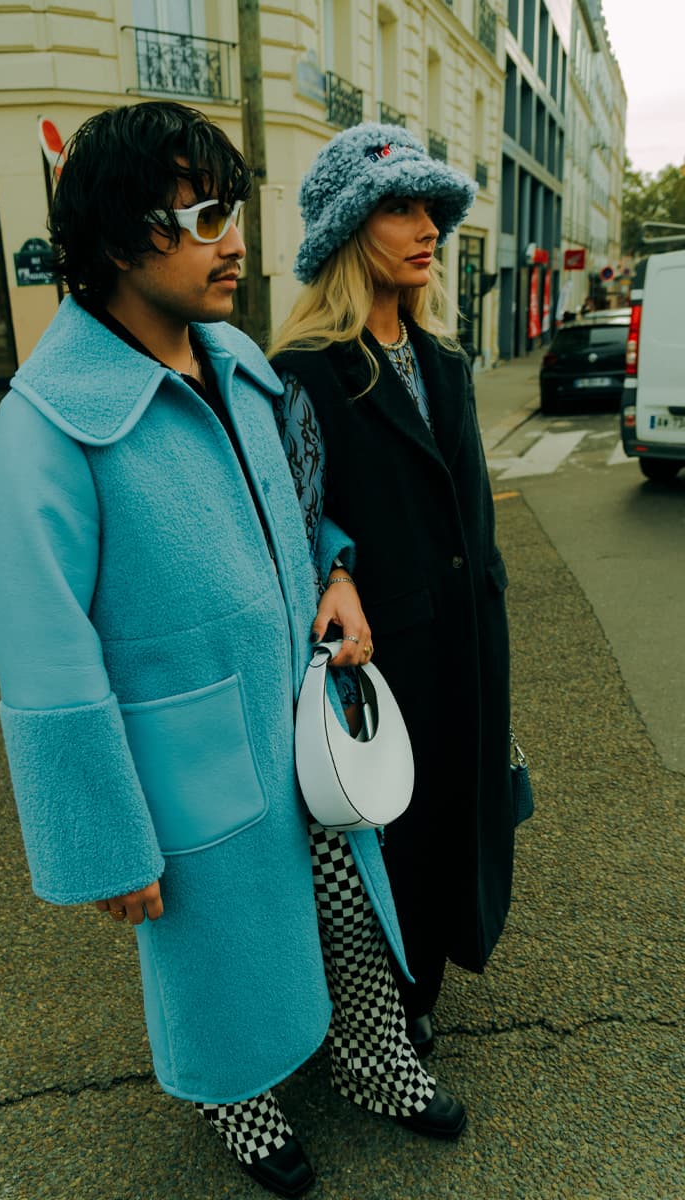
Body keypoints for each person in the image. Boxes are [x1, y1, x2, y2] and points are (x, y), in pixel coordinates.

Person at [0, 102, 467, 1200]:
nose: (233, 240)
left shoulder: (239, 359)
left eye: (230, 210)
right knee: (211, 960)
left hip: (296, 720)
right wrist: (102, 845)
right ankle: (239, 1109)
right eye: (198, 215)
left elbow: (296, 503)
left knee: (351, 911)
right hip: (180, 763)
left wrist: (334, 566)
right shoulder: (45, 424)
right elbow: (45, 661)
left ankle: (375, 1064)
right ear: (111, 237)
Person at [269, 122, 515, 1059]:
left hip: (465, 644)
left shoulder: (446, 362)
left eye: (432, 211)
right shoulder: (303, 376)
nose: (428, 229)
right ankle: (385, 1012)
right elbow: (289, 526)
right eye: (399, 209)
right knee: (387, 843)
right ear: (345, 232)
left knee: (460, 819)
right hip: (382, 661)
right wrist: (337, 569)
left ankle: (425, 988)